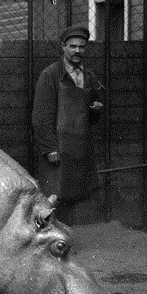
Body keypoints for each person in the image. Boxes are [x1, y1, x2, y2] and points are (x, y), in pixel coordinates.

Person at [32, 25, 104, 224]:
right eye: (72, 46)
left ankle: (65, 238)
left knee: (75, 196)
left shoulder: (89, 76)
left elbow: (91, 116)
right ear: (63, 47)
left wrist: (95, 110)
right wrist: (49, 147)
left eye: (81, 47)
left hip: (80, 148)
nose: (77, 51)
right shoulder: (51, 75)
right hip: (58, 149)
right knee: (53, 197)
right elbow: (40, 115)